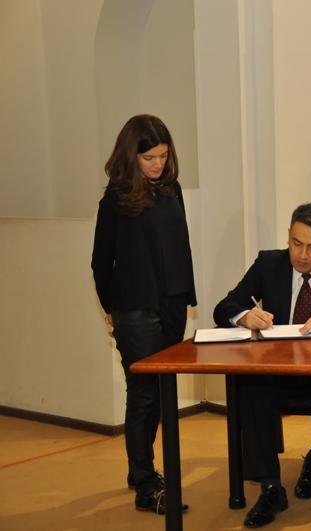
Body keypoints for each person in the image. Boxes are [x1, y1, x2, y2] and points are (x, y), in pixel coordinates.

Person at [213, 201, 311, 529]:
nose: (302, 255)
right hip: (278, 368)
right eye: (296, 243)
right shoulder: (268, 263)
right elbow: (225, 306)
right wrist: (244, 316)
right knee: (248, 387)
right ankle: (271, 487)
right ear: (288, 235)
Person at [91, 115, 196, 515]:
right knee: (143, 394)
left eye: (163, 156)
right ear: (130, 155)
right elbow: (101, 262)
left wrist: (185, 296)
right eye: (149, 157)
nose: (157, 164)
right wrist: (112, 310)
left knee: (160, 393)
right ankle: (147, 487)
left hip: (172, 303)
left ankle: (141, 469)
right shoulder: (115, 200)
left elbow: (180, 246)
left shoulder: (172, 190)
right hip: (135, 308)